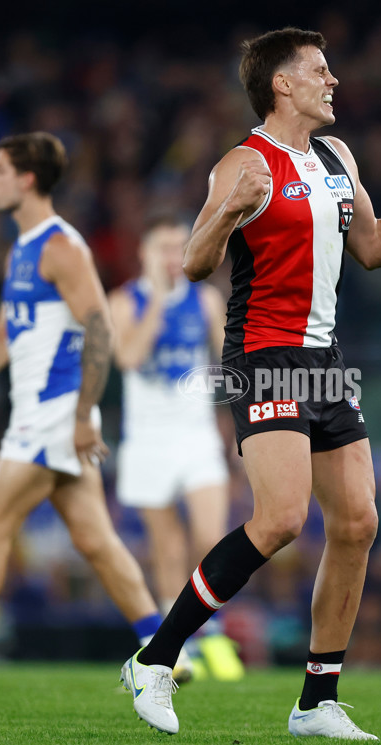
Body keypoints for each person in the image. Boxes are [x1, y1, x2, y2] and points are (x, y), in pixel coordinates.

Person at [121, 27, 381, 739]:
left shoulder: (335, 156)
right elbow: (195, 263)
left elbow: (375, 246)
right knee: (283, 518)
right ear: (282, 84)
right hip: (263, 352)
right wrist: (230, 211)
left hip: (323, 357)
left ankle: (316, 700)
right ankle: (156, 658)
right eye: (320, 70)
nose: (335, 81)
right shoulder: (242, 162)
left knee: (358, 521)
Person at [0, 132, 163, 656]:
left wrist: (82, 415)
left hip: (55, 413)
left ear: (27, 179)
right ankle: (164, 644)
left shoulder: (62, 247)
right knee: (95, 540)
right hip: (43, 413)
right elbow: (8, 331)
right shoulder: (21, 251)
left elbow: (100, 328)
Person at [108, 213, 243, 681]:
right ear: (144, 254)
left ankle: (214, 630)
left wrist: (238, 427)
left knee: (210, 535)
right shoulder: (124, 303)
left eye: (177, 248)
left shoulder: (205, 299)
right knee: (166, 548)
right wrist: (159, 308)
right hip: (146, 439)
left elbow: (230, 362)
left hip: (196, 433)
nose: (171, 258)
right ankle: (174, 646)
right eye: (162, 249)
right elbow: (128, 357)